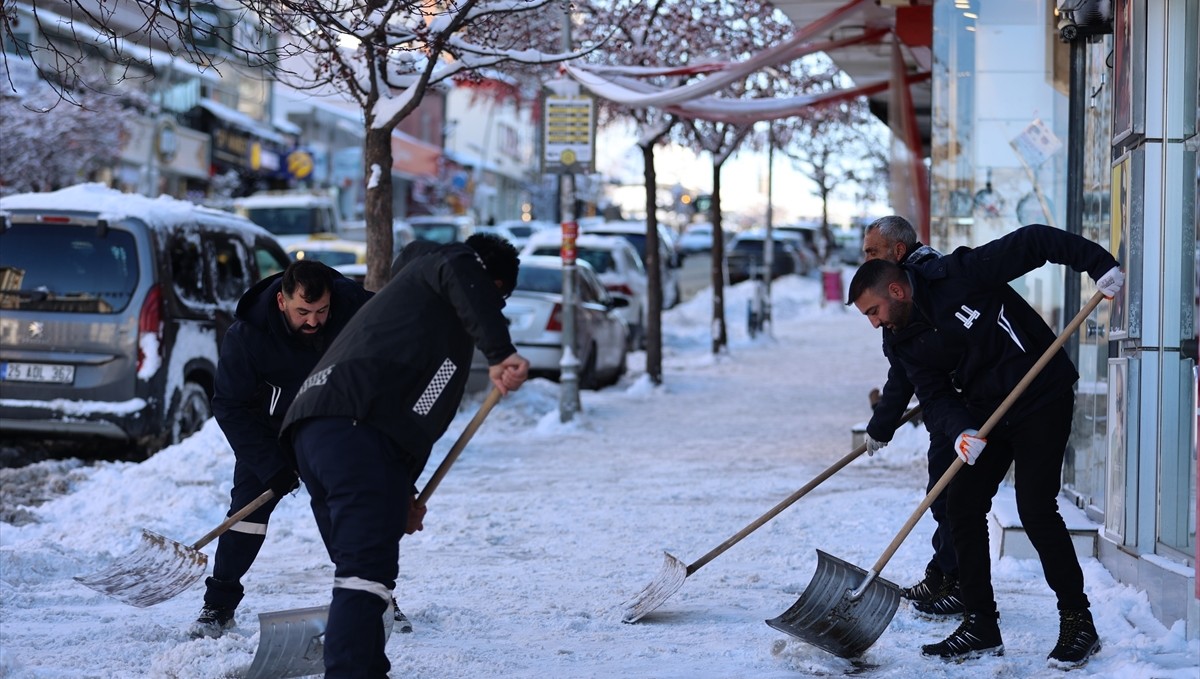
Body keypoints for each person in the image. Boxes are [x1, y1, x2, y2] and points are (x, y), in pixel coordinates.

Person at [846, 224, 1123, 668]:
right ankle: (981, 624)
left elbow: (1035, 241)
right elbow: (932, 396)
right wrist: (958, 432)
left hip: (1041, 396)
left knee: (1035, 507)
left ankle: (1078, 621)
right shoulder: (900, 338)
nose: (874, 321)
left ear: (896, 289)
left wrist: (1099, 264)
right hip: (986, 414)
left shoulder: (959, 274)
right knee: (962, 505)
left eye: (874, 311)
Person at [281, 234, 531, 678]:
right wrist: (499, 351)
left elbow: (412, 416)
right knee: (364, 573)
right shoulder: (447, 262)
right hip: (351, 429)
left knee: (366, 577)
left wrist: (402, 494)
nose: (495, 309)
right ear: (487, 282)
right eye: (499, 298)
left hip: (330, 435)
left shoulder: (423, 322)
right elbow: (457, 262)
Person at [190, 260, 373, 638]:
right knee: (247, 514)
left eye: (321, 311)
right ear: (281, 301)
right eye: (302, 311)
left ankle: (375, 596)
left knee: (351, 513)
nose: (313, 321)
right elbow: (229, 405)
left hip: (333, 425)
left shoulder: (354, 310)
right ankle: (218, 606)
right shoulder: (247, 336)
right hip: (271, 431)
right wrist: (270, 464)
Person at [859, 216, 962, 616]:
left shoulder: (928, 281)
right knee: (941, 494)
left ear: (897, 251)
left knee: (956, 499)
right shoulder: (895, 290)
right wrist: (881, 425)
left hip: (966, 406)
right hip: (944, 406)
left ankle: (958, 582)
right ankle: (943, 573)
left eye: (873, 251)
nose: (865, 259)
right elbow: (901, 369)